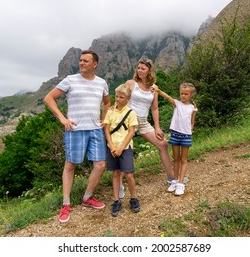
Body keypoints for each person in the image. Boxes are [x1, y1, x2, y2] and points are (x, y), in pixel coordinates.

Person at [43, 50, 110, 223]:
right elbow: (49, 98)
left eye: (86, 61)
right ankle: (66, 204)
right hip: (76, 129)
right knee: (70, 165)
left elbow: (107, 102)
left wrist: (105, 119)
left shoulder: (102, 83)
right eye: (80, 60)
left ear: (94, 64)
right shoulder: (70, 80)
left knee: (101, 165)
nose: (81, 63)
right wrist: (62, 118)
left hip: (95, 129)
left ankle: (87, 197)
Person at [119, 59, 175, 196]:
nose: (140, 70)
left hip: (143, 121)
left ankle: (172, 177)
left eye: (143, 68)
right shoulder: (131, 84)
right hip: (127, 120)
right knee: (122, 149)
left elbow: (154, 109)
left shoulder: (154, 88)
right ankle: (119, 185)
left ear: (149, 71)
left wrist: (157, 127)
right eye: (138, 68)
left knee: (162, 144)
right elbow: (119, 100)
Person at [152, 83, 197, 195]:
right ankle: (175, 181)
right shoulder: (177, 104)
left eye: (186, 94)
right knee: (176, 158)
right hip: (175, 134)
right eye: (181, 93)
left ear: (191, 95)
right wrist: (158, 90)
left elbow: (192, 122)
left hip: (186, 135)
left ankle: (181, 184)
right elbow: (167, 97)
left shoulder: (192, 108)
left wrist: (190, 131)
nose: (183, 96)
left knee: (183, 159)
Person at [103, 84, 140, 217]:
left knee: (129, 174)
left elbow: (131, 132)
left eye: (121, 97)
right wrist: (111, 146)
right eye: (117, 96)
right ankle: (116, 200)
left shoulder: (131, 113)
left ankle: (134, 198)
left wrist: (120, 148)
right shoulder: (111, 111)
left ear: (128, 98)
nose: (118, 99)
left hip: (125, 148)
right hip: (112, 147)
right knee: (116, 174)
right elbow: (106, 129)